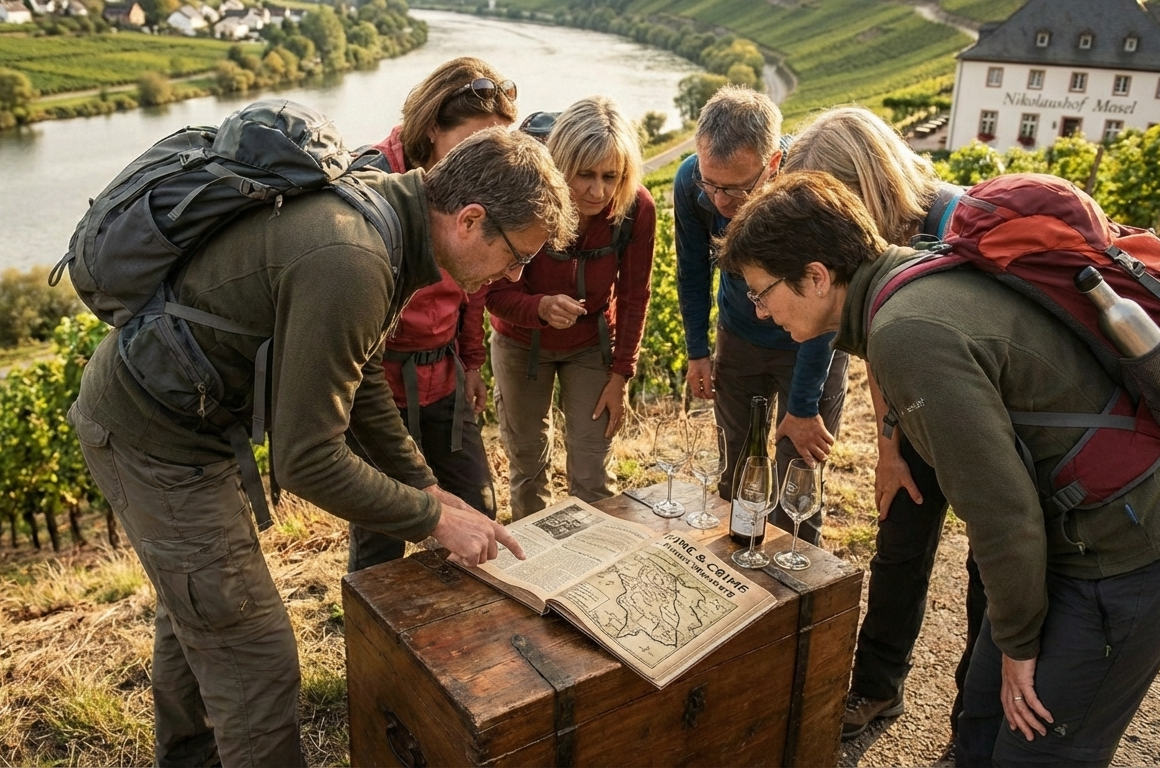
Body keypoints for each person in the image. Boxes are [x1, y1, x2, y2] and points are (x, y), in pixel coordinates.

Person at [70, 127, 576, 767]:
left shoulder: (387, 216)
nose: (516, 274)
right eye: (516, 256)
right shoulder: (354, 259)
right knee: (254, 655)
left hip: (184, 416)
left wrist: (423, 485)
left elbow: (358, 372)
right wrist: (432, 519)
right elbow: (306, 460)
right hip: (155, 436)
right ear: (471, 219)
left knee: (200, 613)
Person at [718, 170, 1160, 767]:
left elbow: (1001, 513)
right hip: (1075, 536)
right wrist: (1013, 637)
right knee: (979, 727)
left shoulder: (906, 335)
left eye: (761, 291)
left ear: (818, 277)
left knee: (1035, 752)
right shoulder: (914, 272)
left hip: (1123, 554)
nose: (761, 312)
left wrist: (1021, 645)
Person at [781, 107, 986, 742]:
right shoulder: (866, 248)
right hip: (920, 415)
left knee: (991, 573)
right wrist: (890, 447)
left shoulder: (956, 230)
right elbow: (879, 347)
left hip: (988, 426)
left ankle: (972, 724)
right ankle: (876, 688)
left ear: (859, 188)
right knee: (899, 546)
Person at [347, 57, 518, 572]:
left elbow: (473, 286)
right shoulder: (374, 182)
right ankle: (378, 638)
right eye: (471, 146)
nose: (484, 163)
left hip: (442, 376)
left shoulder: (474, 195)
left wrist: (470, 362)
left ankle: (465, 633)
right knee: (384, 530)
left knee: (478, 504)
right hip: (376, 383)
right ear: (429, 130)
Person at [674, 85, 847, 545]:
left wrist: (805, 406)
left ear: (773, 163)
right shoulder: (693, 183)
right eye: (711, 185)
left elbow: (826, 305)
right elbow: (692, 272)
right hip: (740, 337)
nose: (720, 202)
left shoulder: (811, 190)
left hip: (812, 345)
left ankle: (795, 592)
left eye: (735, 189)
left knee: (799, 477)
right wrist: (697, 351)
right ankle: (742, 581)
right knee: (736, 471)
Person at [487, 96, 656, 519]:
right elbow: (490, 293)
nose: (597, 191)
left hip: (590, 345)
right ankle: (535, 564)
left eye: (610, 177)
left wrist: (622, 375)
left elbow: (635, 295)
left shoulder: (635, 210)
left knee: (592, 469)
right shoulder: (524, 198)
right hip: (522, 344)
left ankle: (595, 568)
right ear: (561, 165)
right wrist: (539, 307)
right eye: (584, 175)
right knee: (528, 465)